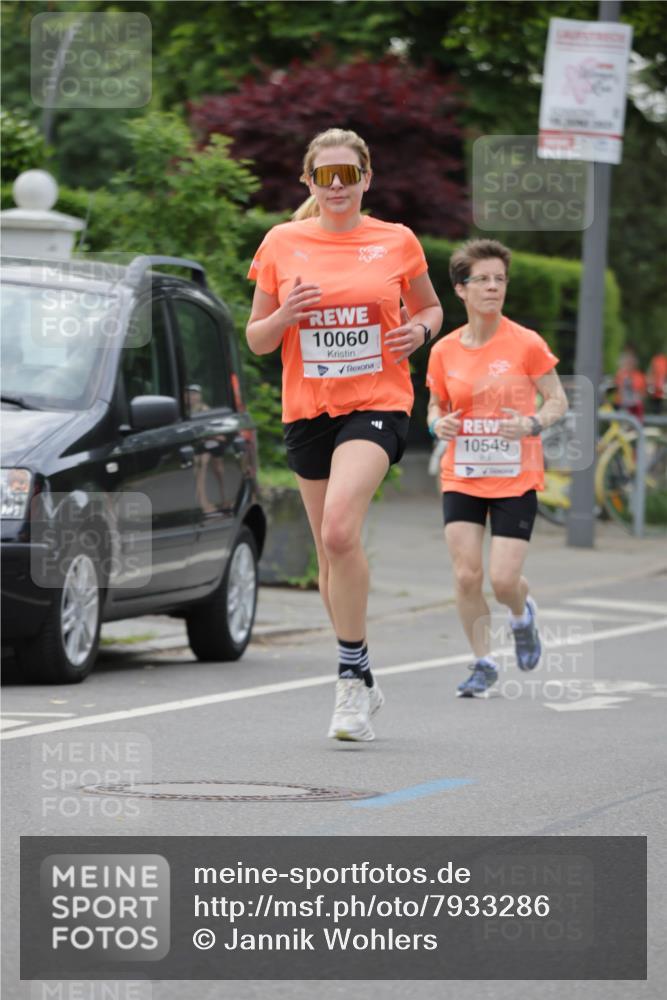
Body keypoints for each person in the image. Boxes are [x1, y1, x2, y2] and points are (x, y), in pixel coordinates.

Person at [246, 127, 442, 740]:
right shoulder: (282, 242)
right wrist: (285, 315)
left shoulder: (395, 241)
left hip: (379, 402)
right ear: (308, 181)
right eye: (324, 176)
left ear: (366, 179)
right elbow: (257, 337)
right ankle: (363, 668)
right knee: (329, 554)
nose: (337, 186)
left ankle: (350, 681)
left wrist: (421, 332)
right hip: (308, 409)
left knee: (338, 529)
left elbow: (431, 307)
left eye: (347, 175)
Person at [426, 239, 568, 697]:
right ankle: (482, 662)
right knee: (467, 575)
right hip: (462, 473)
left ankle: (522, 614)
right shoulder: (444, 351)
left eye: (499, 280)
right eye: (482, 280)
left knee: (504, 580)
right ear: (461, 290)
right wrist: (436, 424)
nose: (493, 288)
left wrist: (530, 423)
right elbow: (433, 406)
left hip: (514, 476)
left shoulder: (526, 344)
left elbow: (558, 401)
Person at [614, 347, 646, 421]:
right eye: (628, 361)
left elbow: (642, 394)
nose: (629, 363)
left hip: (634, 409)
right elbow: (617, 390)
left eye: (631, 361)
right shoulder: (620, 374)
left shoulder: (639, 376)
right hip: (621, 407)